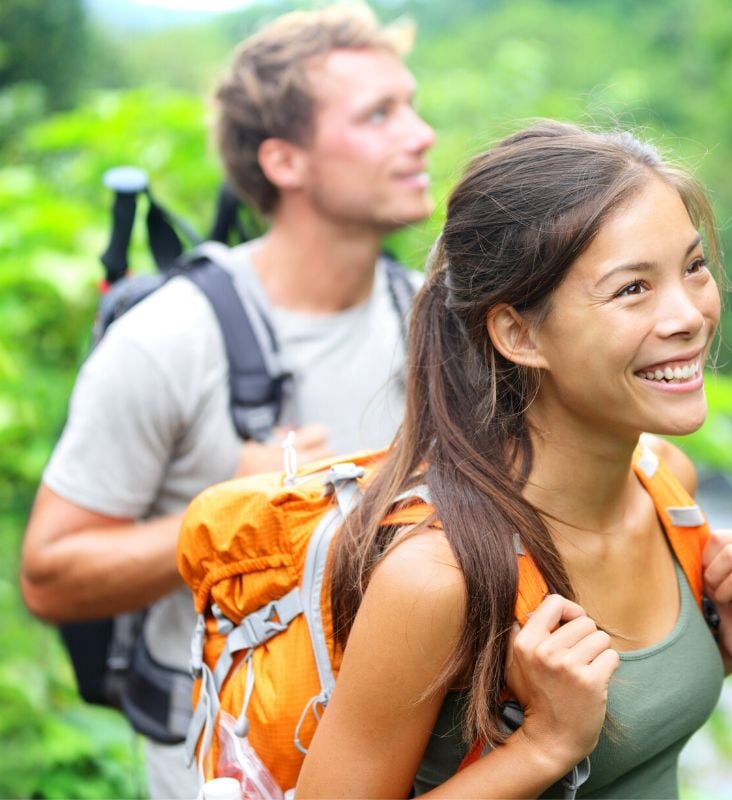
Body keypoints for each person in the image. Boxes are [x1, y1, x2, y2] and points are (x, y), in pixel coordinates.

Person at [295, 121, 732, 799]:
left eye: (694, 266)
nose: (689, 315)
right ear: (519, 333)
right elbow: (570, 741)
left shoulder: (666, 485)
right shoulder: (438, 579)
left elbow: (627, 742)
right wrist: (545, 745)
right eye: (632, 290)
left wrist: (719, 648)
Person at [18, 5, 435, 797]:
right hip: (224, 769)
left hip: (410, 759)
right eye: (379, 114)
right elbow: (49, 577)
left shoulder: (434, 322)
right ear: (285, 161)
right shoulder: (171, 339)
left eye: (411, 105)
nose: (420, 134)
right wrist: (243, 513)